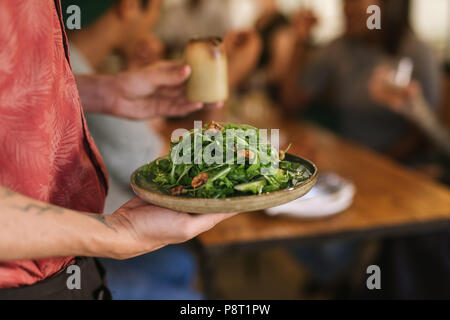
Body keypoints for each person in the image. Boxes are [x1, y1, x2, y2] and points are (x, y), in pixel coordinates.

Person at [0, 0, 233, 299]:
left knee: (181, 266)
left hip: (68, 260)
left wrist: (105, 92)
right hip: (22, 282)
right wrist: (117, 233)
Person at [61, 0, 201, 299]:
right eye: (156, 9)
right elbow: (163, 164)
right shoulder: (70, 62)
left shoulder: (66, 62)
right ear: (128, 6)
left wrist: (113, 87)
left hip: (75, 235)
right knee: (190, 293)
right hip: (63, 251)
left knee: (182, 264)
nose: (155, 22)